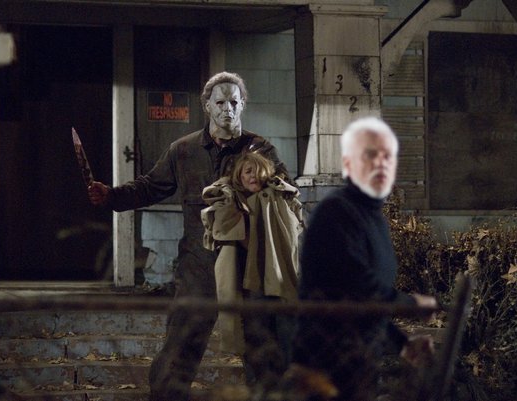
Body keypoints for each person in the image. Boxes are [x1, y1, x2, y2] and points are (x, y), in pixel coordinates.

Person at [87, 71, 289, 401]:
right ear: (206, 106)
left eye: (234, 102)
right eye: (220, 102)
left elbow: (285, 197)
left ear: (243, 105)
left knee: (262, 348)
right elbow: (150, 187)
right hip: (199, 267)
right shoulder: (183, 150)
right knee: (180, 348)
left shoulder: (260, 149)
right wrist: (111, 196)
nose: (228, 109)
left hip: (249, 266)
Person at [290, 116, 437, 401]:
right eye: (370, 155)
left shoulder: (372, 217)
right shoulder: (335, 213)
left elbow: (365, 308)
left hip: (358, 365)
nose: (381, 162)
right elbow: (356, 286)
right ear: (348, 164)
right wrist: (411, 304)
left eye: (388, 156)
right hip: (324, 369)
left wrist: (400, 343)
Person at [200, 152, 303, 394]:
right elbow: (222, 233)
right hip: (245, 283)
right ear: (239, 175)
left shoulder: (277, 198)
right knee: (253, 338)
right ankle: (258, 388)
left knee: (282, 338)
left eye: (259, 171)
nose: (254, 176)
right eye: (248, 171)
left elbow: (294, 231)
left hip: (276, 280)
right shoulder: (228, 200)